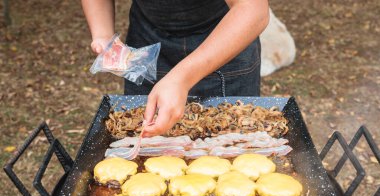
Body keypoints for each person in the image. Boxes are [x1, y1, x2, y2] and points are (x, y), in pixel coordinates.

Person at [82, 0, 269, 137]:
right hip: (147, 40)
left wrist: (180, 79)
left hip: (223, 41)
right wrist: (103, 33)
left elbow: (252, 10)